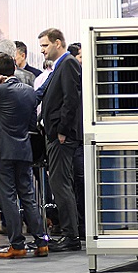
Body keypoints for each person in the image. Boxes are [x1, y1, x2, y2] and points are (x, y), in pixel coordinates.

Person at [0, 53, 48, 259]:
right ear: (14, 68)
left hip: (2, 151)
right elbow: (31, 124)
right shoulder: (29, 91)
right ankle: (41, 242)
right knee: (28, 195)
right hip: (23, 148)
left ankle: (17, 244)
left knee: (8, 197)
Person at [38, 28, 83, 252]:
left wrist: (62, 130)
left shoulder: (68, 63)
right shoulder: (61, 65)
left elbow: (71, 99)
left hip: (61, 136)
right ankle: (70, 234)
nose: (42, 50)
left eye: (45, 45)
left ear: (58, 43)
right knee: (60, 184)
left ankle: (70, 236)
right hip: (57, 134)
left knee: (60, 184)